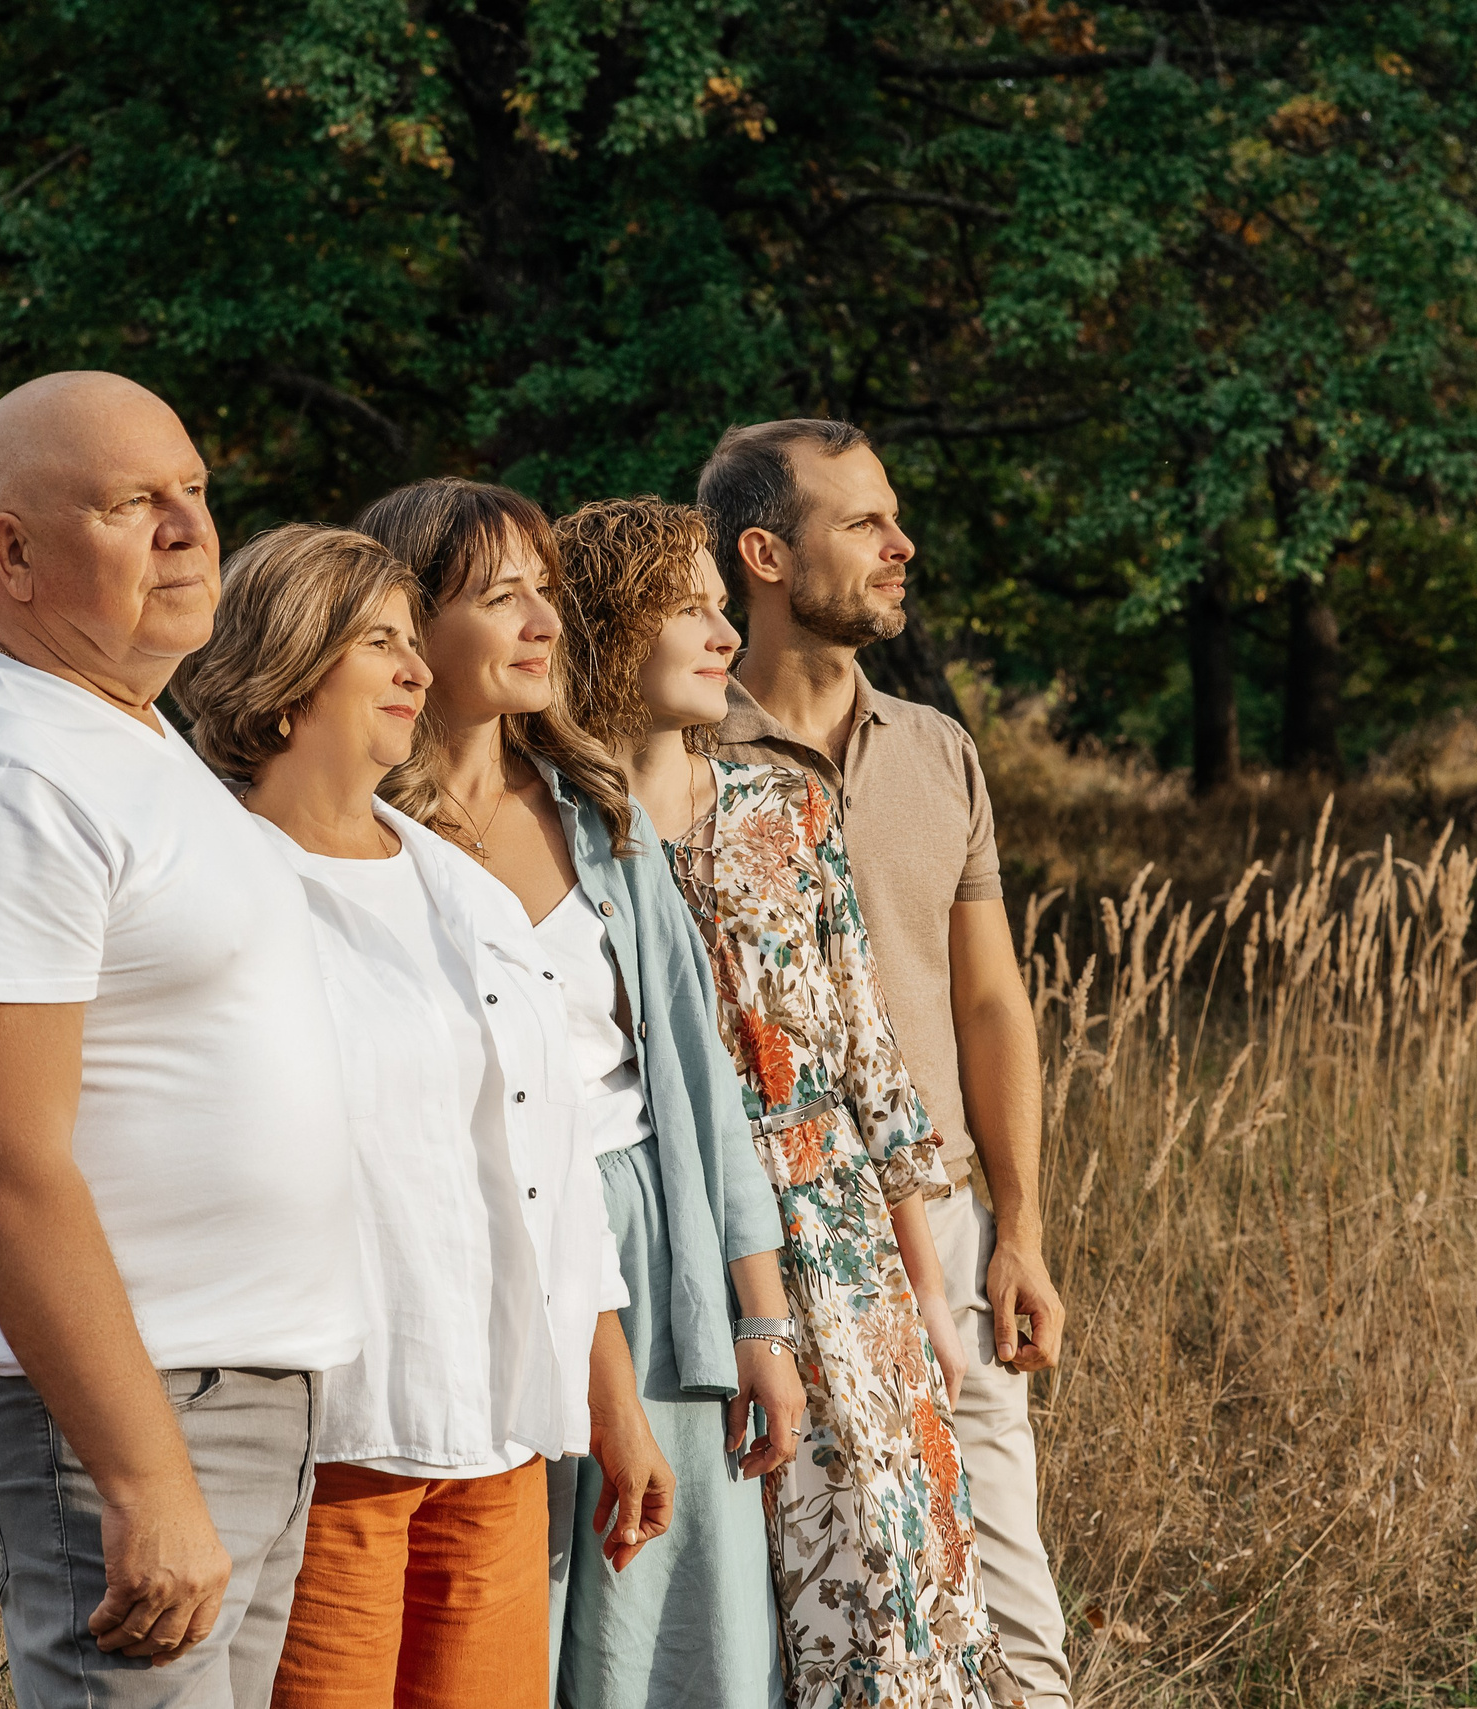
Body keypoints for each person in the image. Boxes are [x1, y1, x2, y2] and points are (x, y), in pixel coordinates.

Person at [0, 372, 362, 1709]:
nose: (191, 529)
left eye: (194, 491)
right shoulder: (4, 776)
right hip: (132, 1414)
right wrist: (144, 1478)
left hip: (236, 1390)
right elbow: (0, 1160)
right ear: (11, 552)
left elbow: (76, 1081)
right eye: (136, 502)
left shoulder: (127, 740)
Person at [551, 498, 1020, 1709]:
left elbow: (869, 1053)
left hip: (834, 1233)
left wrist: (923, 1284)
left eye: (722, 604)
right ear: (608, 630)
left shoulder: (780, 808)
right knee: (706, 1588)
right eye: (688, 609)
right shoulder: (554, 830)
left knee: (879, 1563)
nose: (721, 634)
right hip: (661, 1233)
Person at [170, 523, 648, 1709]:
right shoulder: (209, 879)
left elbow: (556, 1159)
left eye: (411, 641)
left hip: (495, 1429)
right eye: (379, 642)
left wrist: (613, 1401)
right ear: (284, 678)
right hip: (330, 1437)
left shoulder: (463, 890)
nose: (417, 670)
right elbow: (106, 1099)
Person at [355, 479, 804, 1709]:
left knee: (675, 1629)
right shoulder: (359, 840)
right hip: (470, 1272)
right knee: (499, 1629)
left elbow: (699, 1088)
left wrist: (759, 1322)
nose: (542, 619)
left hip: (648, 1247)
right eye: (502, 597)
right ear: (407, 625)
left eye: (546, 589)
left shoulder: (597, 815)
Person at [696, 422, 1073, 1709]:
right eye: (862, 522)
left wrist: (1014, 1228)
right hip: (773, 1241)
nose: (901, 545)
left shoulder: (935, 746)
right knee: (807, 1603)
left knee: (1003, 1573)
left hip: (947, 1221)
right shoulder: (676, 759)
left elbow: (989, 1002)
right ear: (763, 553)